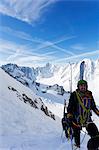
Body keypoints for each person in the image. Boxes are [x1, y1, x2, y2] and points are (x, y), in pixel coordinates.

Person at [67, 80, 99, 148]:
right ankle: (77, 145)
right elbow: (70, 107)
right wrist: (70, 117)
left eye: (84, 85)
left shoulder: (89, 95)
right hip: (76, 119)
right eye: (81, 85)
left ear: (86, 87)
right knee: (76, 132)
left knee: (96, 135)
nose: (83, 87)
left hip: (87, 120)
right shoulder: (74, 95)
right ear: (78, 87)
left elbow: (93, 107)